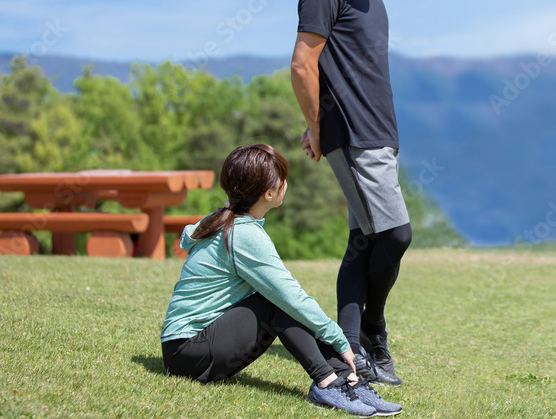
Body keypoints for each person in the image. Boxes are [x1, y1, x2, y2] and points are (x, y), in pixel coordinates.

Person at [160, 143, 402, 417]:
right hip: (187, 351)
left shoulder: (223, 220)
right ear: (270, 193)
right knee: (280, 302)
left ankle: (349, 380)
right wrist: (340, 339)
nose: (286, 182)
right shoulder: (243, 234)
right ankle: (328, 382)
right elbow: (290, 298)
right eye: (282, 178)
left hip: (188, 348)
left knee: (285, 302)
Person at [290, 0, 412, 386]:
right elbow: (303, 63)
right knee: (394, 234)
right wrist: (318, 127)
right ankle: (374, 335)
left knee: (363, 241)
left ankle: (352, 345)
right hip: (353, 133)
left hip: (379, 129)